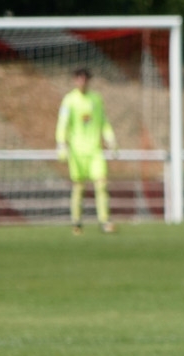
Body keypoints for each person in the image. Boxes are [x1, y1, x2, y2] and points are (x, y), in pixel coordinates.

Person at [55, 67, 117, 235]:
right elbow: (63, 123)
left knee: (102, 184)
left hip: (95, 151)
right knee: (79, 187)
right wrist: (61, 143)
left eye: (85, 78)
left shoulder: (96, 99)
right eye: (79, 78)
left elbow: (103, 121)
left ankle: (104, 221)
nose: (82, 81)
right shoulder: (69, 100)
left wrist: (110, 139)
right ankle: (77, 222)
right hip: (77, 152)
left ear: (89, 80)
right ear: (75, 80)